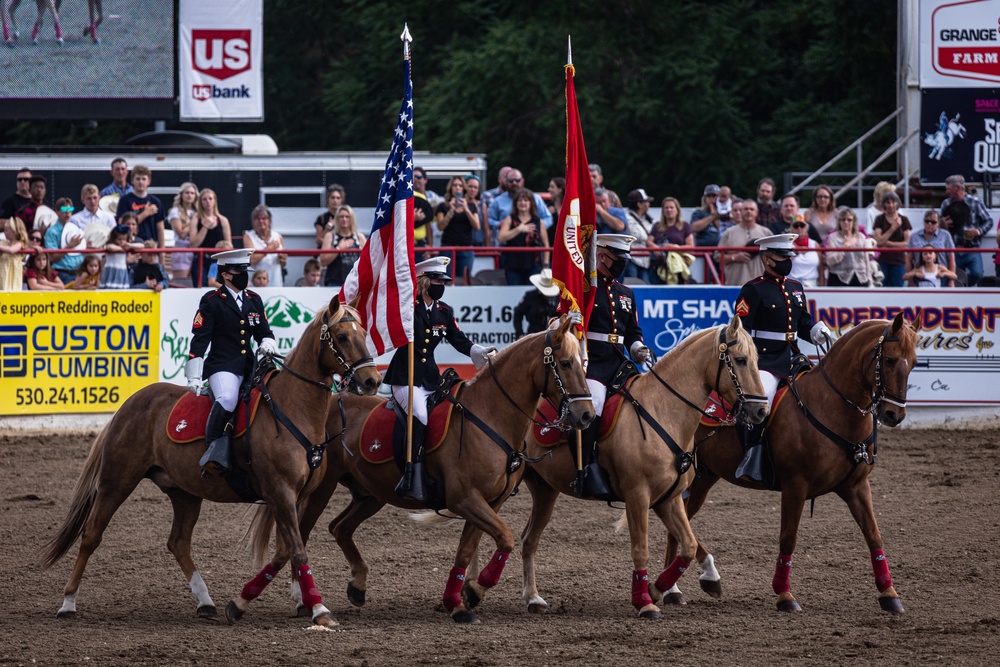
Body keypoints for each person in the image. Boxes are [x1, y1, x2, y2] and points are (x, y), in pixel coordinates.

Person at [383, 257, 492, 497]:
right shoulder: (407, 308)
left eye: (444, 280)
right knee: (420, 415)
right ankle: (411, 474)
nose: (441, 284)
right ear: (423, 281)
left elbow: (458, 339)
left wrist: (479, 351)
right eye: (436, 279)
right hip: (405, 377)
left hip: (431, 378)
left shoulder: (444, 312)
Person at [185, 248, 278, 477]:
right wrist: (194, 374)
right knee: (227, 398)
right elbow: (200, 339)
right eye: (239, 271)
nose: (244, 275)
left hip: (251, 366)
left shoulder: (254, 300)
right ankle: (211, 453)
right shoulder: (212, 301)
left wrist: (267, 342)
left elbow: (265, 332)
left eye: (246, 270)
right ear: (226, 274)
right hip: (223, 366)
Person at [573, 233, 651, 499]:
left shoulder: (626, 292)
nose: (622, 264)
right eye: (618, 258)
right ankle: (587, 467)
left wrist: (637, 347)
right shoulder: (584, 288)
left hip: (620, 363)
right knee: (592, 404)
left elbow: (632, 331)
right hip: (593, 362)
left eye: (624, 259)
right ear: (603, 256)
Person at [735, 233, 831, 410]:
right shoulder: (753, 289)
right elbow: (740, 330)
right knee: (760, 401)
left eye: (789, 256)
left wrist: (815, 332)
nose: (788, 260)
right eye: (783, 256)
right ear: (766, 259)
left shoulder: (795, 287)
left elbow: (802, 324)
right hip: (765, 359)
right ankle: (754, 438)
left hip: (794, 356)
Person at [940, 174, 994, 287]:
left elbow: (988, 221)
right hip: (953, 249)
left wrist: (978, 231)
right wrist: (943, 224)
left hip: (972, 248)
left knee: (977, 273)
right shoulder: (946, 203)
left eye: (948, 189)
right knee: (952, 276)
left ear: (957, 188)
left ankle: (963, 286)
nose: (946, 192)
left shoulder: (975, 202)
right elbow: (938, 228)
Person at [498, 187, 549, 286]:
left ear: (531, 203)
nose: (523, 203)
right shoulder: (509, 219)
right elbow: (501, 238)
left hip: (533, 265)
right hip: (513, 266)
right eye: (520, 200)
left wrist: (546, 265)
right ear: (515, 203)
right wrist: (518, 229)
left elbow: (546, 245)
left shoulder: (538, 221)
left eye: (526, 200)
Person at [487, 168, 553, 245]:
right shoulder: (498, 201)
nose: (514, 183)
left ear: (522, 181)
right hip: (507, 247)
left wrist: (534, 226)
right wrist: (500, 224)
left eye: (517, 180)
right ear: (506, 182)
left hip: (532, 246)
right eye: (511, 181)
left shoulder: (535, 198)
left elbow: (548, 218)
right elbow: (488, 220)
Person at [435, 175, 480, 284]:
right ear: (450, 188)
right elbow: (440, 227)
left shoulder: (470, 206)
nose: (457, 188)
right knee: (446, 281)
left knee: (464, 280)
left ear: (463, 188)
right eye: (455, 185)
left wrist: (466, 209)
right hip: (448, 247)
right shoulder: (442, 206)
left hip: (466, 247)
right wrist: (451, 211)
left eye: (460, 185)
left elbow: (477, 226)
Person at [115, 165, 166, 258]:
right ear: (132, 181)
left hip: (151, 247)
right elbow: (122, 225)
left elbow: (160, 229)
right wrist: (146, 213)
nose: (140, 182)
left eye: (143, 179)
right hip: (132, 246)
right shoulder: (125, 200)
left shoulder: (155, 201)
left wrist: (162, 252)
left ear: (148, 182)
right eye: (138, 179)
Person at [717, 199, 769, 286]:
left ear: (756, 212)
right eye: (746, 209)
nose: (749, 211)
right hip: (735, 286)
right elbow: (717, 257)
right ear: (740, 212)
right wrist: (734, 257)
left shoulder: (766, 233)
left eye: (751, 209)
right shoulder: (729, 233)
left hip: (761, 287)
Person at [190, 188, 232, 287]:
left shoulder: (223, 220)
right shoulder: (196, 219)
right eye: (204, 199)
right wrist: (205, 227)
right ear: (200, 202)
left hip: (218, 261)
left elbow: (229, 245)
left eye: (210, 198)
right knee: (201, 288)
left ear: (215, 201)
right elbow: (193, 244)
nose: (208, 202)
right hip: (201, 260)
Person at [650, 196, 694, 284]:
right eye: (666, 208)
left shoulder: (685, 226)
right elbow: (649, 241)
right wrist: (657, 249)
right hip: (659, 266)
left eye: (671, 207)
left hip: (678, 267)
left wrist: (673, 248)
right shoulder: (657, 226)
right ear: (663, 211)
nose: (669, 210)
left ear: (677, 210)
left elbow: (691, 246)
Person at [871, 191, 911, 287]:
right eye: (888, 202)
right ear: (884, 204)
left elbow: (907, 243)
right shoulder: (879, 219)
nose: (890, 205)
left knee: (897, 291)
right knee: (881, 289)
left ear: (897, 203)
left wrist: (888, 243)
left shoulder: (904, 220)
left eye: (893, 202)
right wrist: (893, 227)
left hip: (898, 261)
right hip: (882, 260)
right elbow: (878, 242)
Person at [906, 210, 956, 286]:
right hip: (920, 276)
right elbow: (908, 260)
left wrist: (951, 281)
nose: (929, 224)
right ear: (923, 222)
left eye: (933, 222)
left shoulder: (945, 235)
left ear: (938, 223)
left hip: (941, 276)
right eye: (927, 221)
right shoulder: (914, 236)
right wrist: (911, 281)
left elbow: (951, 259)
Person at [824, 209, 872, 287]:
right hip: (839, 278)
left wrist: (869, 279)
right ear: (839, 222)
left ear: (854, 222)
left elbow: (866, 261)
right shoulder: (833, 237)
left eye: (849, 220)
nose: (846, 222)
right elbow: (829, 260)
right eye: (843, 220)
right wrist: (844, 247)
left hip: (861, 278)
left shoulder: (861, 237)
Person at [320, 204, 365, 287]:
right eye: (341, 217)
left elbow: (368, 261)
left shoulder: (359, 237)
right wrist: (339, 248)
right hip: (334, 281)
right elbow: (323, 261)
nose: (344, 219)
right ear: (337, 219)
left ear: (352, 219)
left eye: (347, 217)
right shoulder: (330, 236)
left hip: (355, 282)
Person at [244, 203, 286, 288]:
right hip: (256, 284)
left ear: (269, 221)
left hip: (275, 281)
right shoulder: (248, 236)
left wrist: (282, 258)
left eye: (264, 218)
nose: (261, 221)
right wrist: (269, 249)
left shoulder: (278, 236)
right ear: (253, 222)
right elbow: (251, 260)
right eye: (257, 218)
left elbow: (283, 263)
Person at [512, 267, 560, 339]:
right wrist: (519, 333)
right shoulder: (530, 296)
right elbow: (518, 313)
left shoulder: (557, 298)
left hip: (554, 336)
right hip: (534, 335)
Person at [46, 198, 85, 284]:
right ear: (57, 212)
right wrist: (70, 246)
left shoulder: (76, 228)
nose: (67, 212)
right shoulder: (52, 231)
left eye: (70, 209)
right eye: (64, 209)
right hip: (62, 272)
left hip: (79, 272)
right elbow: (52, 257)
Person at [167, 182, 198, 283]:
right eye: (187, 193)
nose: (189, 195)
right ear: (181, 195)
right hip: (182, 250)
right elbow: (181, 233)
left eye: (192, 193)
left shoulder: (198, 212)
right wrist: (194, 221)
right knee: (181, 282)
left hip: (196, 249)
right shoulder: (175, 211)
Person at [624, 189, 656, 283]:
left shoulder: (647, 219)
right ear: (639, 204)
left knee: (645, 286)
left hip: (645, 260)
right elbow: (637, 236)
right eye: (646, 201)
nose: (648, 204)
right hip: (632, 259)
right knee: (632, 286)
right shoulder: (627, 219)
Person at [100, 224, 143, 290]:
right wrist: (122, 249)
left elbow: (142, 246)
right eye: (119, 239)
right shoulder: (112, 245)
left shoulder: (127, 245)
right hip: (112, 271)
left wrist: (129, 245)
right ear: (114, 238)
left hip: (121, 272)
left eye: (124, 239)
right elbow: (110, 247)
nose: (122, 241)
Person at [788, 217, 825, 287]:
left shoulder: (814, 244)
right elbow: (783, 264)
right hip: (792, 284)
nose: (799, 229)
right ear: (792, 229)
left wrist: (822, 288)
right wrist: (797, 252)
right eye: (796, 226)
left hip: (812, 284)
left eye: (802, 226)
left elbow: (821, 269)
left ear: (806, 228)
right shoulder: (787, 245)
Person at [313, 184, 346, 249]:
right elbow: (318, 240)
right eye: (332, 198)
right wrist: (328, 227)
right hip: (326, 252)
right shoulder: (322, 218)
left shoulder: (346, 217)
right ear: (328, 200)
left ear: (341, 200)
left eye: (338, 198)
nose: (335, 200)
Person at [0, 216, 28, 291]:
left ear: (14, 232)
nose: (4, 233)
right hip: (3, 270)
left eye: (6, 231)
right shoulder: (4, 243)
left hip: (12, 271)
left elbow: (12, 250)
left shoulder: (19, 243)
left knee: (12, 288)